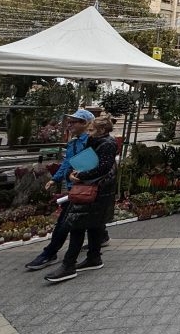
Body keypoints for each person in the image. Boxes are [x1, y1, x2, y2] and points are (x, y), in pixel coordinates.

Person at [26, 109, 104, 271]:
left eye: (73, 122)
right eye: (69, 122)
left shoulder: (91, 142)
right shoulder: (73, 143)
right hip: (74, 189)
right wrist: (55, 179)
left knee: (64, 224)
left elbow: (95, 166)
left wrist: (83, 176)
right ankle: (100, 238)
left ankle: (51, 253)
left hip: (84, 188)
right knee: (83, 222)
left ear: (85, 124)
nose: (69, 125)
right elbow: (67, 163)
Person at [44, 117, 118, 282]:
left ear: (102, 130)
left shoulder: (108, 144)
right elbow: (82, 159)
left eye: (91, 130)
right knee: (93, 224)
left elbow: (103, 168)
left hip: (95, 188)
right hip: (92, 188)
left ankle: (69, 264)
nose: (89, 133)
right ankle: (94, 257)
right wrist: (72, 172)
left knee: (77, 224)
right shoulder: (94, 141)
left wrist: (81, 175)